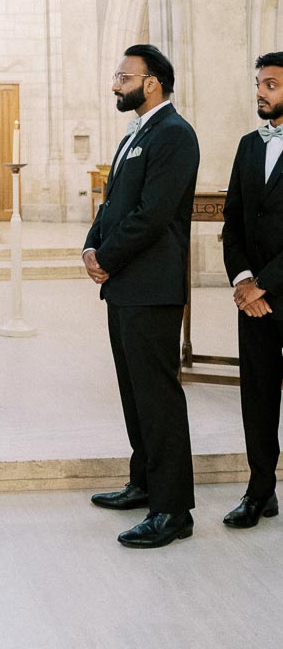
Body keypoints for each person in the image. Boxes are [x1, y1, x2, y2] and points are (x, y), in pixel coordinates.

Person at [82, 44, 200, 549]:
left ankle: (173, 509)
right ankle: (145, 481)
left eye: (122, 76)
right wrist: (91, 243)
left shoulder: (174, 134)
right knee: (134, 391)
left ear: (151, 82)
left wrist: (107, 257)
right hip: (125, 285)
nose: (115, 84)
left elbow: (153, 214)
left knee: (158, 395)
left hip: (150, 285)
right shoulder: (137, 133)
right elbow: (114, 203)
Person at [221, 51, 283, 529]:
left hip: (276, 288)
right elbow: (235, 219)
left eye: (270, 85)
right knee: (257, 396)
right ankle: (259, 490)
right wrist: (244, 281)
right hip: (253, 302)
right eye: (259, 84)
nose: (260, 92)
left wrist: (265, 283)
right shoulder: (247, 145)